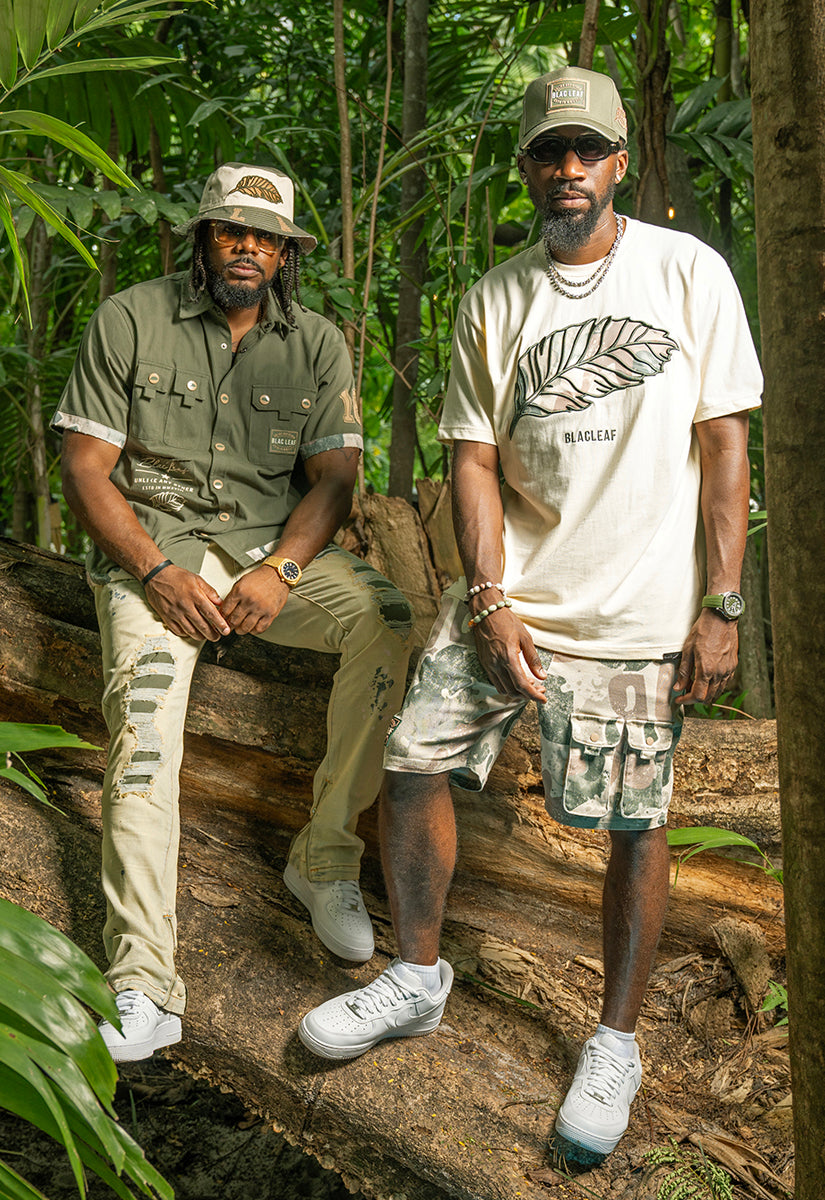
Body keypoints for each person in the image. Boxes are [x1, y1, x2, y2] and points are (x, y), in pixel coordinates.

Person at [297, 68, 762, 1163]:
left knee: (635, 824)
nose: (568, 170)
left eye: (586, 151)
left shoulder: (686, 272)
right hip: (511, 598)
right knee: (412, 760)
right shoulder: (494, 299)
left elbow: (724, 445)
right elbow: (472, 460)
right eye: (549, 153)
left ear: (618, 163)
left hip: (638, 612)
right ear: (528, 170)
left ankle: (614, 1043)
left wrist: (722, 603)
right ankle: (417, 976)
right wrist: (489, 597)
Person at [53, 162, 414, 1063]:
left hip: (268, 552)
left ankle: (322, 858)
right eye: (229, 230)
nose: (246, 247)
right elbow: (86, 469)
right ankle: (144, 984)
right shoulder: (130, 318)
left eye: (265, 236)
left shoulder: (318, 344)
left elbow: (335, 479)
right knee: (144, 734)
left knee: (387, 621)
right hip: (154, 555)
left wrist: (283, 570)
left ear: (286, 253)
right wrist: (154, 570)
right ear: (203, 239)